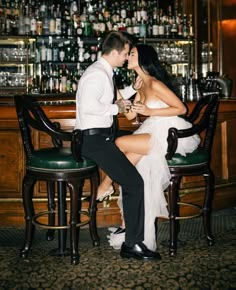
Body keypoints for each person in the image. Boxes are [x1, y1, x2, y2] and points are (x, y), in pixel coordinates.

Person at [98, 43, 201, 251]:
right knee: (131, 168)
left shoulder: (154, 83)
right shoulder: (141, 85)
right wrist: (117, 92)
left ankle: (105, 184)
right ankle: (128, 224)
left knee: (119, 143)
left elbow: (181, 108)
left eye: (132, 54)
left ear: (142, 59)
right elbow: (130, 115)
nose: (127, 57)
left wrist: (149, 110)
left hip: (169, 133)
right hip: (152, 130)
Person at [74, 31, 161, 260]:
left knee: (133, 150)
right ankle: (132, 244)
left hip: (101, 136)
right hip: (94, 140)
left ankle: (108, 187)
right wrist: (118, 109)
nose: (126, 58)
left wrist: (133, 89)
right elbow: (90, 108)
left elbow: (111, 99)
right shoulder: (97, 75)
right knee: (134, 183)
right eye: (124, 53)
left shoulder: (104, 72)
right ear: (114, 53)